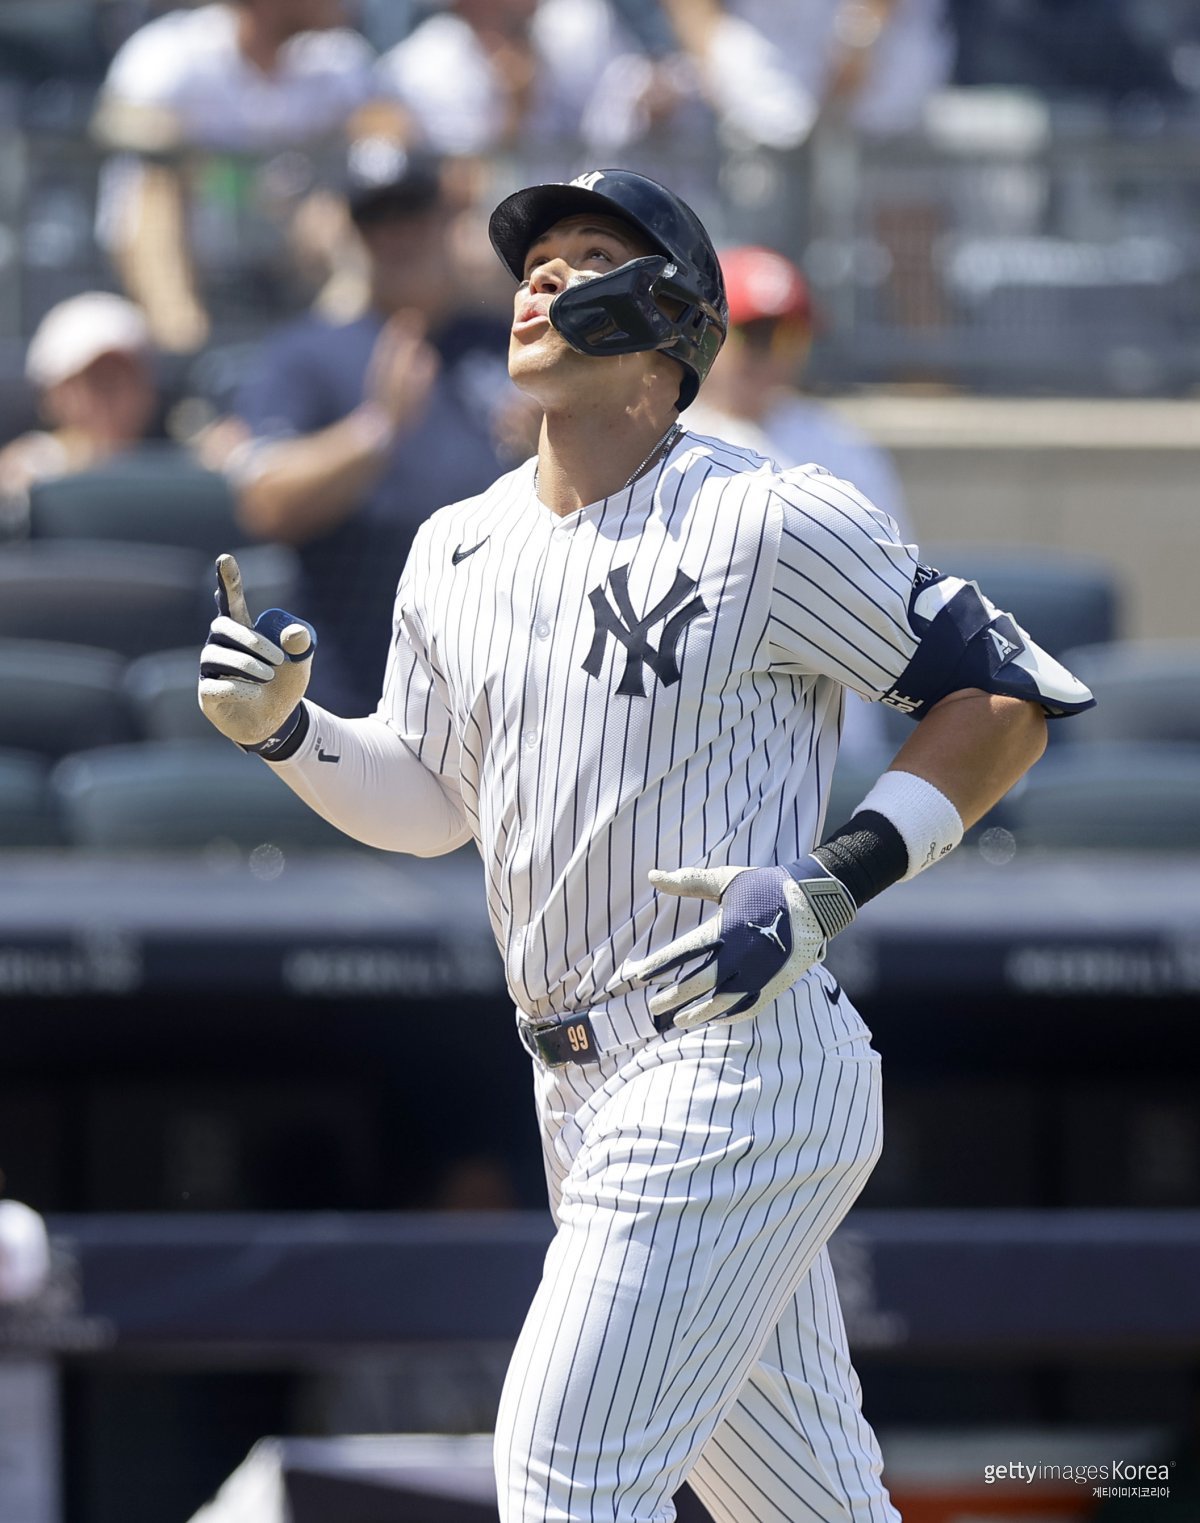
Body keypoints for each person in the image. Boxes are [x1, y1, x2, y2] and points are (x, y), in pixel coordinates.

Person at [198, 167, 1095, 1522]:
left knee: (561, 1475)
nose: (542, 278)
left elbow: (1009, 692)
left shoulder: (770, 513)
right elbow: (430, 803)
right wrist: (286, 731)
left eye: (586, 253)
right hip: (576, 1085)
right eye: (532, 260)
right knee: (808, 1503)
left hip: (734, 1060)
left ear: (671, 321)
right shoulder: (456, 545)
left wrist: (836, 879)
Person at [227, 145, 513, 715]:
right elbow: (263, 502)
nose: (396, 235)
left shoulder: (511, 342)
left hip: (500, 677)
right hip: (359, 689)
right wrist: (375, 429)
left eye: (412, 212)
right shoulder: (308, 353)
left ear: (446, 218)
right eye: (376, 219)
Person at [92, 0, 379, 350]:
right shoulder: (173, 50)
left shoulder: (337, 56)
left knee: (344, 207)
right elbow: (120, 125)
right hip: (199, 256)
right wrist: (230, 178)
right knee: (157, 186)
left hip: (290, 253)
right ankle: (183, 346)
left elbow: (389, 128)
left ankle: (337, 340)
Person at [686, 243, 909, 528]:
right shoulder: (661, 433)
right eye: (756, 337)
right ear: (707, 334)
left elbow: (889, 548)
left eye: (790, 339)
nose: (774, 357)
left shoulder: (840, 445)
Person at [0, 292, 159, 530]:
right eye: (95, 380)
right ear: (54, 394)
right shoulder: (29, 467)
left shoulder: (188, 461)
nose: (109, 398)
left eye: (125, 378)